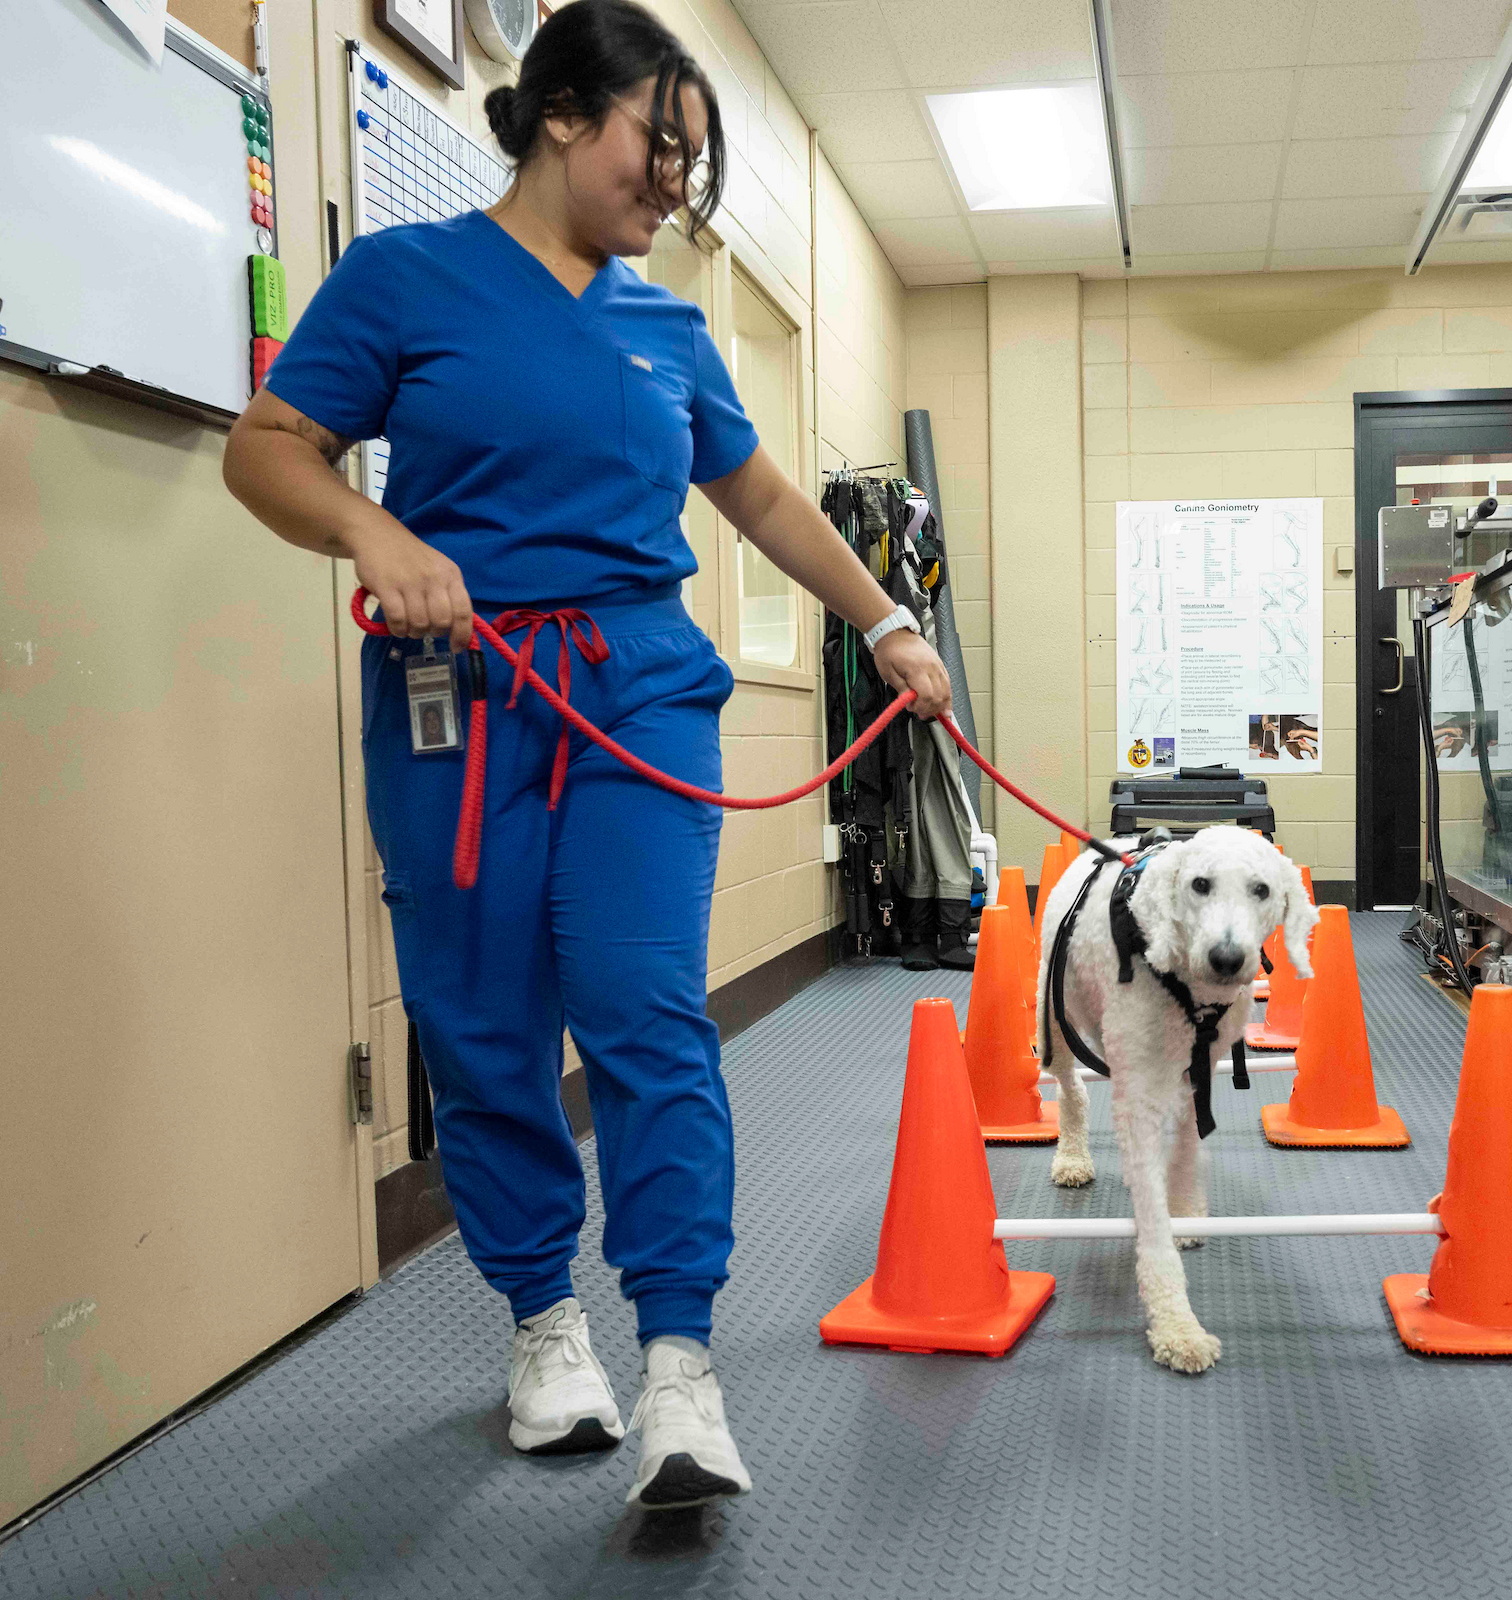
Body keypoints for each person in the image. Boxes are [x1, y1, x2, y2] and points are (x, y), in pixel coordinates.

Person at [221, 0, 952, 1513]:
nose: (673, 182)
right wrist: (373, 526)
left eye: (690, 161)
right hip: (459, 694)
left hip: (637, 699)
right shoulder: (401, 278)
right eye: (658, 143)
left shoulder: (665, 325)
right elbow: (268, 446)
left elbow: (756, 501)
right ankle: (544, 1328)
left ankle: (680, 1363)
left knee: (642, 1010)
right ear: (564, 110)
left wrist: (887, 617)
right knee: (481, 1022)